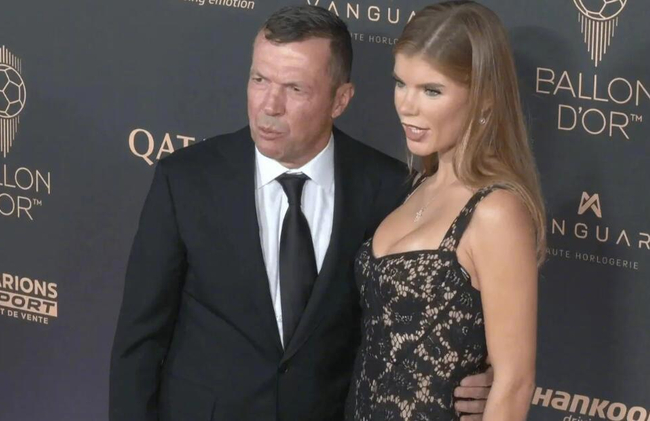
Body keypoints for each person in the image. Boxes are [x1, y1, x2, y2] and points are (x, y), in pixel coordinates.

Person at [109, 5, 492, 421]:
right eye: (259, 80)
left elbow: (410, 324)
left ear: (340, 100)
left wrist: (475, 377)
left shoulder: (391, 189)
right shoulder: (186, 179)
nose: (269, 105)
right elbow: (140, 340)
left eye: (294, 89)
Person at [344, 1, 546, 420]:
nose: (407, 105)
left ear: (485, 99)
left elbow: (514, 383)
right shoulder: (415, 187)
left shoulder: (496, 211)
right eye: (401, 84)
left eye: (431, 91)